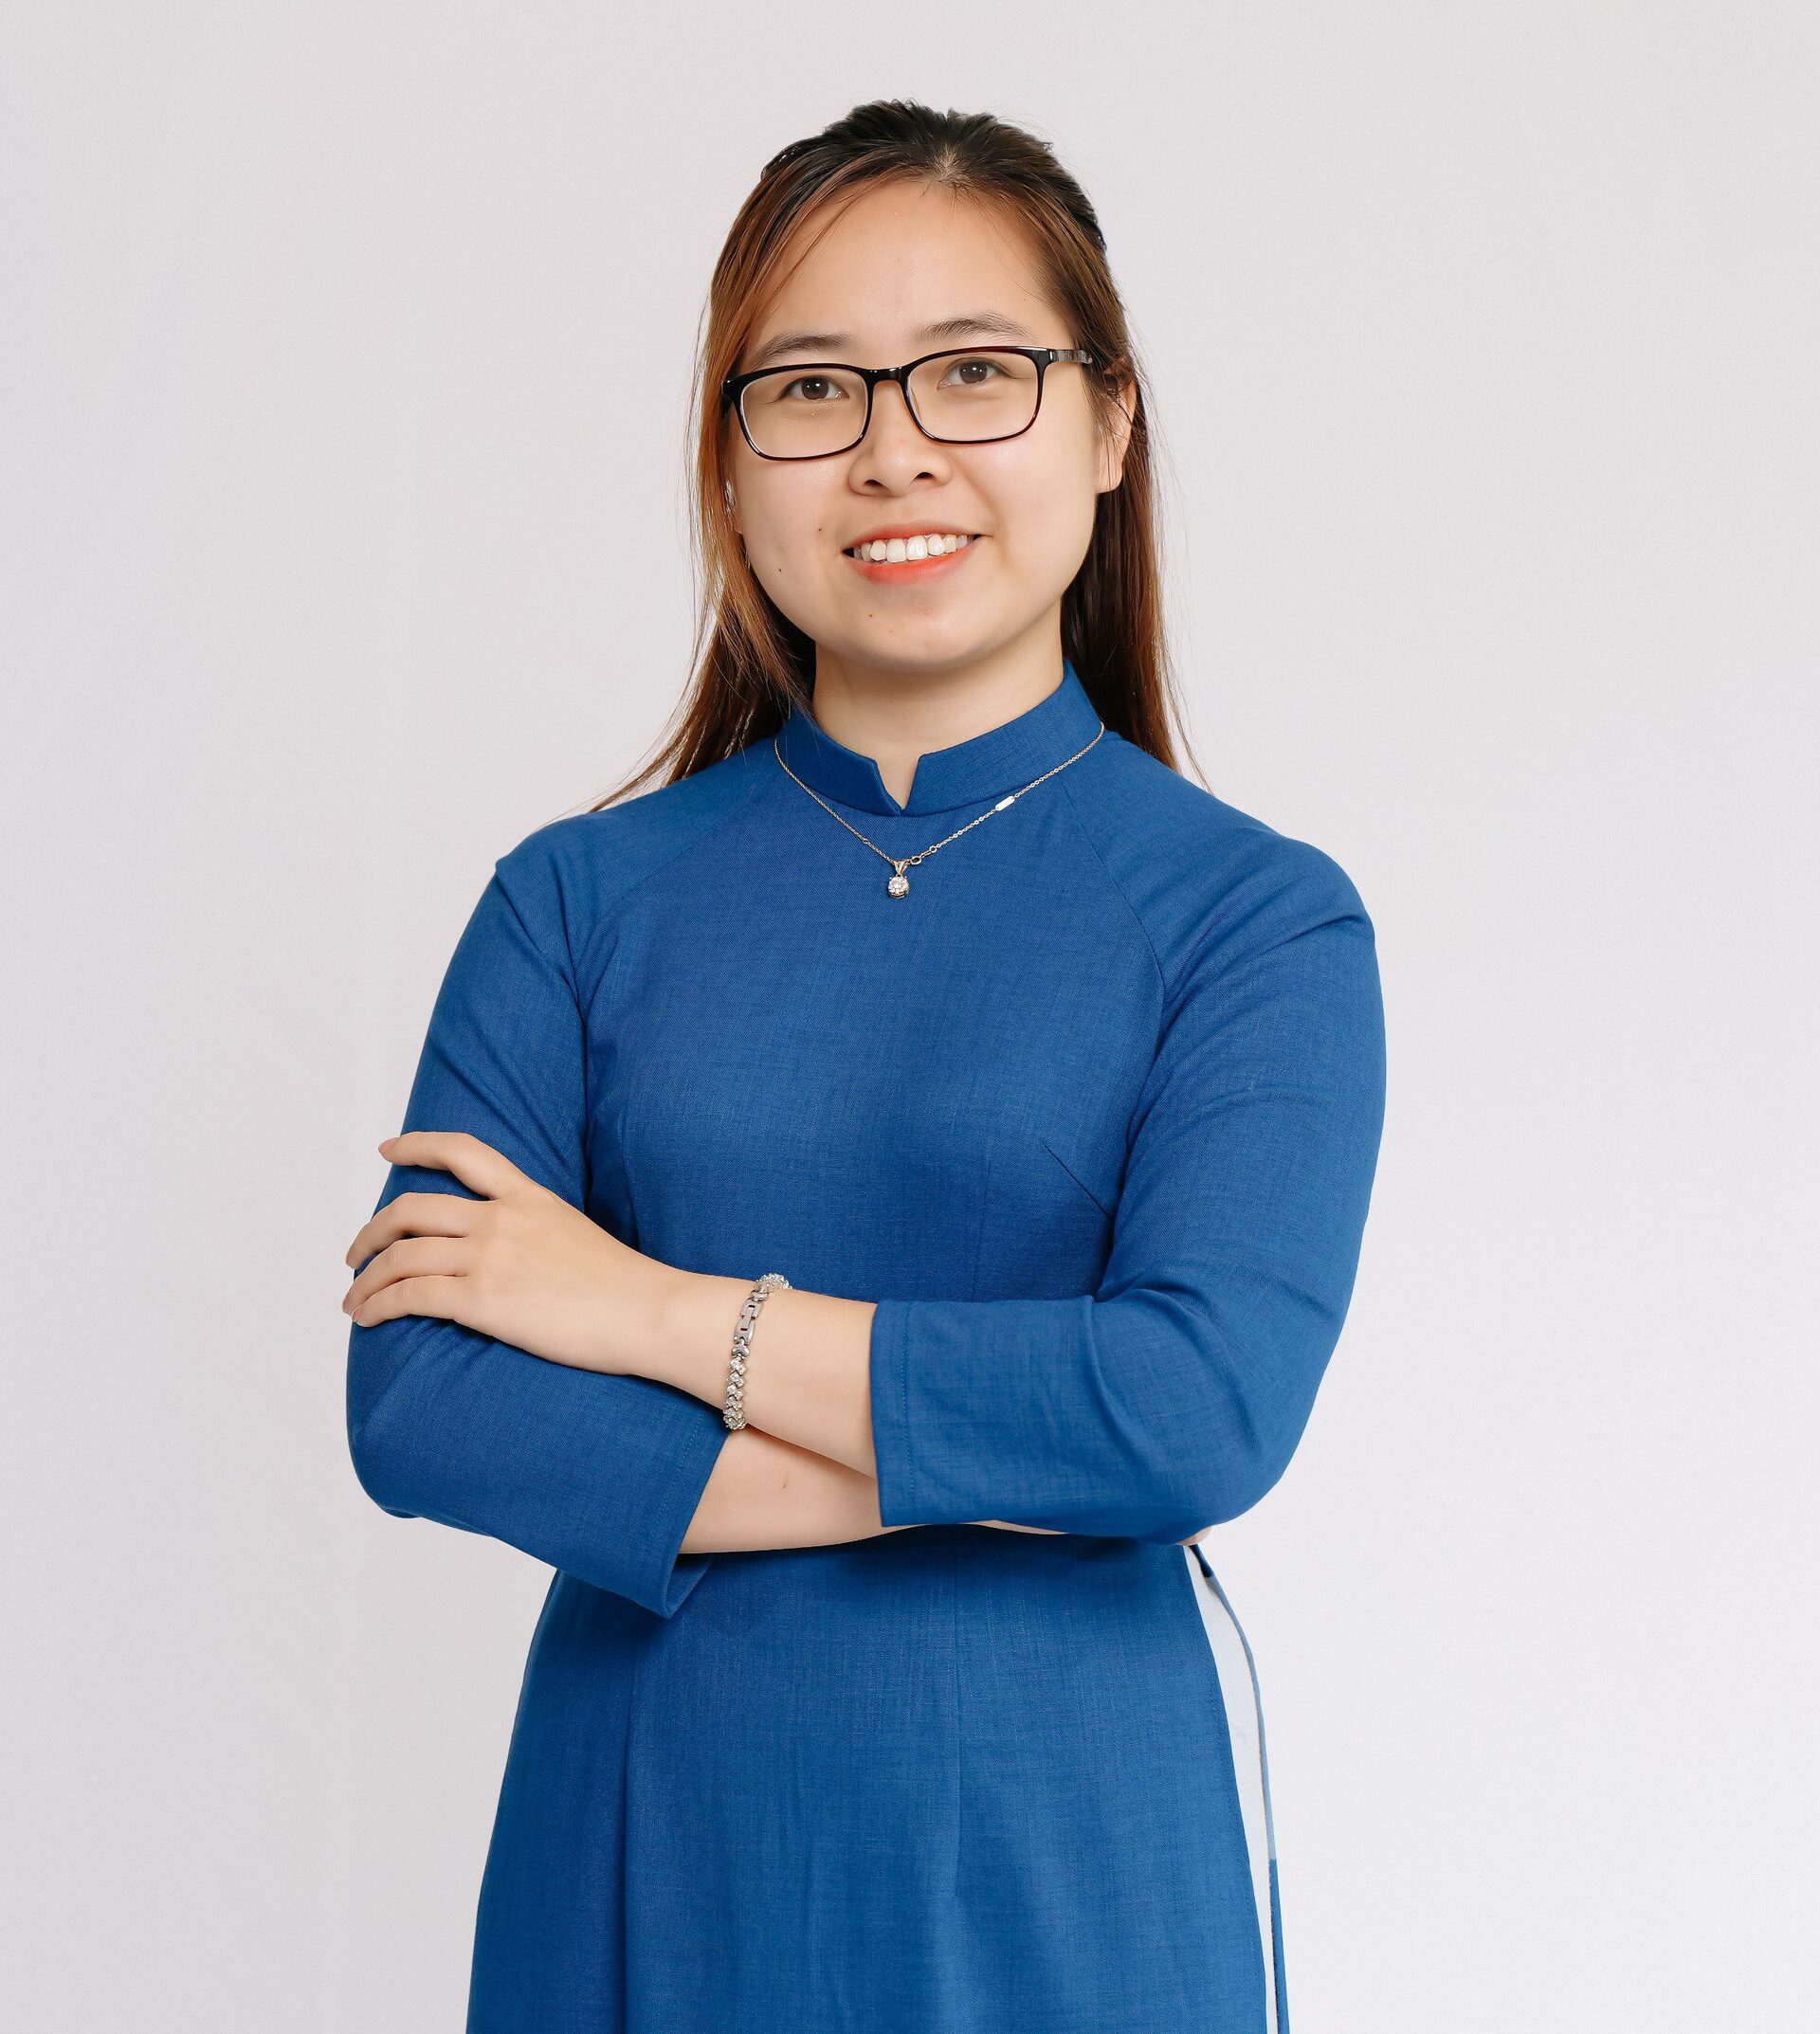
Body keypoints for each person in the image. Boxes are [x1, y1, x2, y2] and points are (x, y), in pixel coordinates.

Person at [342, 98, 1387, 2034]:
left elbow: (1194, 1412)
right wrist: (986, 1455)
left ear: (1111, 424)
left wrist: (646, 1312)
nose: (894, 447)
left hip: (1067, 1860)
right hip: (650, 1842)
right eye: (811, 388)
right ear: (730, 463)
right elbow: (421, 1402)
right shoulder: (574, 901)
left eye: (976, 373)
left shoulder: (1256, 921)